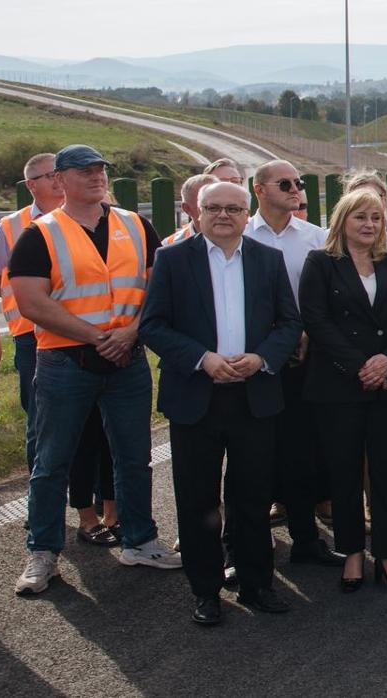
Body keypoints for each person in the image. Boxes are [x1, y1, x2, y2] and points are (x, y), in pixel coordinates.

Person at [9, 144, 178, 597]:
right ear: (60, 180)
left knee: (133, 457)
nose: (96, 176)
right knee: (52, 462)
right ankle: (43, 552)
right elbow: (31, 303)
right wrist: (96, 335)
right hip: (67, 362)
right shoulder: (39, 234)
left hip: (127, 360)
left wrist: (130, 333)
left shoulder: (137, 224)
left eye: (101, 169)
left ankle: (140, 540)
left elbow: (158, 288)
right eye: (84, 171)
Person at [138, 181, 301, 625]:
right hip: (197, 397)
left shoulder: (268, 260)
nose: (223, 215)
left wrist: (261, 357)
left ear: (247, 214)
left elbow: (289, 322)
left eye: (233, 208)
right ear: (197, 213)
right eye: (214, 207)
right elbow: (152, 325)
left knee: (251, 498)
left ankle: (256, 584)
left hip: (254, 397)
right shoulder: (172, 260)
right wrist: (202, 359)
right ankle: (206, 591)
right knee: (197, 501)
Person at [298, 188, 387, 596]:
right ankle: (352, 552)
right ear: (342, 222)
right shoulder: (321, 262)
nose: (369, 225)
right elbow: (316, 320)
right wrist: (359, 365)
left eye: (375, 217)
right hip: (339, 385)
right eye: (360, 218)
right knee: (345, 472)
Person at [244, 159, 340, 567]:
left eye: (298, 182)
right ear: (259, 189)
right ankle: (247, 548)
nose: (294, 188)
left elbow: (325, 300)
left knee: (302, 453)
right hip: (252, 363)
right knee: (251, 457)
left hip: (303, 359)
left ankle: (306, 540)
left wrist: (306, 336)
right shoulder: (241, 234)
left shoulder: (316, 239)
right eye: (284, 183)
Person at [0, 152, 62, 468]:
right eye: (50, 175)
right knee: (39, 420)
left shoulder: (88, 217)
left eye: (61, 173)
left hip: (81, 331)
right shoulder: (9, 227)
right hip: (31, 337)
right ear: (31, 184)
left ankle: (95, 497)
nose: (58, 180)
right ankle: (40, 503)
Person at [161, 174, 217, 246]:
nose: (222, 213)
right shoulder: (170, 245)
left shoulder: (235, 240)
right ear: (187, 209)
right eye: (210, 207)